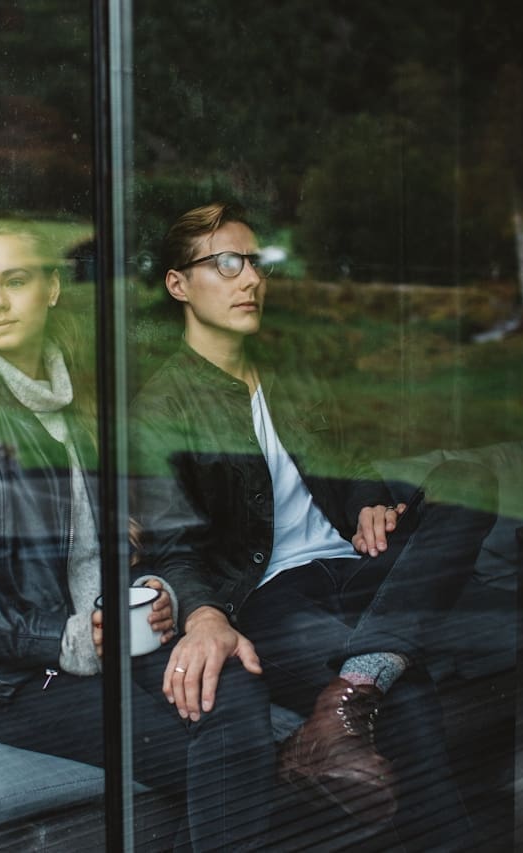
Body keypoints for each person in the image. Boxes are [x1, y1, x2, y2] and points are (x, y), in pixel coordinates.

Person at [0, 218, 275, 851]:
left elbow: (170, 536)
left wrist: (173, 596)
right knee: (224, 759)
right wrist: (60, 638)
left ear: (52, 289)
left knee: (234, 695)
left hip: (127, 644)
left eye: (14, 281)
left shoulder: (93, 403)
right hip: (18, 677)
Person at [131, 202, 498, 848]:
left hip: (353, 564)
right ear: (178, 283)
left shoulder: (290, 370)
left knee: (474, 488)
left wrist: (366, 503)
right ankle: (371, 683)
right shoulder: (162, 405)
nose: (250, 279)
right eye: (226, 263)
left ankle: (352, 683)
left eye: (255, 263)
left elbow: (347, 460)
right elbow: (170, 543)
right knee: (406, 693)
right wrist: (206, 615)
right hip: (270, 596)